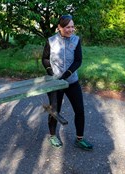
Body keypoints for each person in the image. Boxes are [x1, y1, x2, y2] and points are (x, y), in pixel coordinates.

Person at [42, 15, 93, 151]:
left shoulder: (76, 40)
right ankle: (52, 136)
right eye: (67, 27)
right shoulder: (51, 41)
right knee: (54, 110)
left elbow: (78, 61)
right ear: (59, 27)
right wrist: (51, 73)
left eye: (72, 26)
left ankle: (79, 139)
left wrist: (66, 75)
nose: (70, 29)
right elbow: (45, 59)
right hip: (55, 83)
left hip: (71, 82)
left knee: (80, 110)